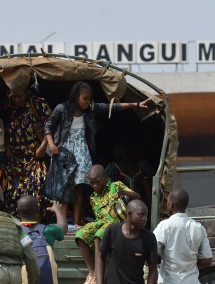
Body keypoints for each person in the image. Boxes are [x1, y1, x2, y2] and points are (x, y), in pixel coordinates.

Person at [45, 82, 150, 226]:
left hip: (81, 150)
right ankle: (62, 225)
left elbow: (111, 107)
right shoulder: (62, 108)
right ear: (76, 96)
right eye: (85, 98)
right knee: (64, 188)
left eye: (89, 99)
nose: (88, 102)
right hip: (64, 151)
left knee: (79, 187)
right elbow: (48, 126)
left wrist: (135, 105)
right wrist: (51, 144)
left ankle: (75, 224)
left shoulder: (90, 109)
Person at [75, 165, 141, 284]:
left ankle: (97, 281)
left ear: (105, 178)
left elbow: (138, 197)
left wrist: (125, 193)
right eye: (91, 183)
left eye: (97, 182)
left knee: (99, 235)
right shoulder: (93, 197)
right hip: (102, 222)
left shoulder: (116, 186)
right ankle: (92, 273)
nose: (94, 185)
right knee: (80, 234)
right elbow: (98, 218)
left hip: (117, 223)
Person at [1, 84, 52, 212]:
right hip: (16, 162)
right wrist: (7, 147)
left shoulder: (37, 104)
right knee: (13, 194)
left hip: (36, 158)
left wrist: (43, 146)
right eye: (14, 97)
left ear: (27, 92)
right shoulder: (7, 108)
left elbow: (50, 126)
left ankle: (38, 223)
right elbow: (5, 130)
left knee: (37, 191)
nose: (17, 100)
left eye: (20, 96)